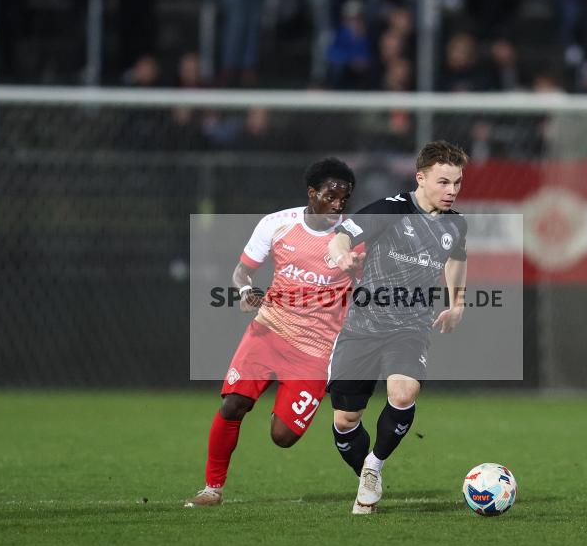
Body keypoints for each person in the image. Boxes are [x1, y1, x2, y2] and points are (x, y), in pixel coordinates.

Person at [185, 158, 362, 507]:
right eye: (331, 196)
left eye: (345, 198)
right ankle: (211, 489)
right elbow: (241, 272)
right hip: (269, 331)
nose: (338, 204)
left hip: (316, 349)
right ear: (312, 193)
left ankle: (288, 407)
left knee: (283, 437)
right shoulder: (276, 224)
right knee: (233, 404)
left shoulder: (355, 237)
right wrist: (245, 291)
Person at [326, 140, 469, 514]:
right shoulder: (389, 210)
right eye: (443, 182)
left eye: (457, 183)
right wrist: (341, 255)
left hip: (410, 325)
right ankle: (365, 473)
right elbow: (342, 236)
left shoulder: (456, 224)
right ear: (420, 178)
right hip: (362, 325)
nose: (451, 191)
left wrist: (458, 302)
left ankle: (374, 466)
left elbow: (456, 258)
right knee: (345, 420)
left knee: (403, 394)